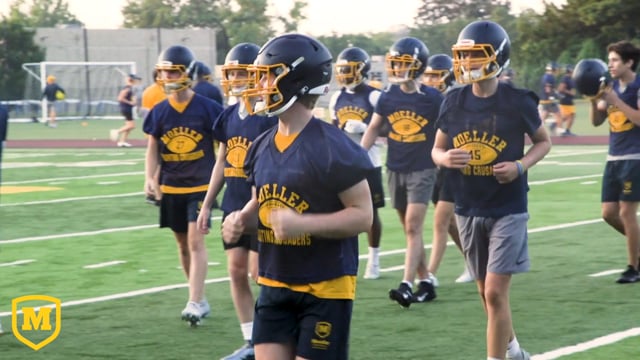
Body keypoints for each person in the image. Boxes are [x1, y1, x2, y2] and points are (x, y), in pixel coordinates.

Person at [221, 33, 373, 360]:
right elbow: (263, 202)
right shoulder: (261, 145)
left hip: (325, 286)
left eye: (269, 74)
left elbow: (363, 215)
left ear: (298, 80)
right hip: (275, 282)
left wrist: (303, 224)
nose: (260, 83)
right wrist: (241, 221)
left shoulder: (334, 147)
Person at [432, 20, 551, 360]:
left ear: (497, 58)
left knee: (496, 292)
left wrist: (519, 166)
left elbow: (544, 142)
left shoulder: (517, 101)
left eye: (475, 55)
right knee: (485, 290)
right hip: (468, 206)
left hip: (508, 207)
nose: (466, 63)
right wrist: (445, 158)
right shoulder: (453, 101)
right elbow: (436, 150)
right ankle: (513, 350)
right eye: (463, 55)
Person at [196, 42, 278, 360]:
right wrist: (206, 204)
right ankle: (251, 341)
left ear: (257, 75)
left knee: (261, 273)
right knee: (235, 270)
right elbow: (222, 161)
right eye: (232, 73)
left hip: (262, 206)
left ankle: (272, 336)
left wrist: (249, 212)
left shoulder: (269, 116)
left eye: (243, 73)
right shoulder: (229, 115)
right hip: (233, 202)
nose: (237, 79)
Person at [143, 45, 224, 326]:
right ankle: (198, 298)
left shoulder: (208, 108)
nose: (166, 76)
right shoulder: (159, 111)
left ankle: (194, 300)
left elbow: (223, 146)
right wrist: (149, 178)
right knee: (181, 245)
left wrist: (222, 177)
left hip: (201, 185)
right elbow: (152, 147)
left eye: (173, 71)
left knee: (195, 240)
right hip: (172, 186)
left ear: (187, 72)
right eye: (163, 71)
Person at [360, 37, 443, 307]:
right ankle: (427, 281)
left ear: (418, 66)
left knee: (413, 226)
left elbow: (448, 129)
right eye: (394, 63)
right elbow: (374, 127)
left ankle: (406, 284)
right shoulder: (387, 95)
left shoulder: (432, 99)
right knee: (409, 229)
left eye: (403, 63)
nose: (396, 68)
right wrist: (358, 157)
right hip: (395, 166)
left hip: (423, 167)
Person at [329, 46, 385, 280]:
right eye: (341, 69)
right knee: (342, 212)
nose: (344, 74)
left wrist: (366, 128)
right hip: (344, 161)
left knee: (371, 213)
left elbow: (387, 129)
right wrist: (343, 128)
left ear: (362, 70)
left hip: (369, 160)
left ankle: (374, 258)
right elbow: (332, 129)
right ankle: (345, 257)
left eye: (349, 69)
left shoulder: (373, 95)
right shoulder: (336, 97)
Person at [588, 40, 640, 284]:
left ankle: (634, 267)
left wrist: (616, 100)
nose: (610, 64)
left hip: (635, 157)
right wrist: (593, 97)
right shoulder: (609, 86)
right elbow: (596, 121)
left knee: (627, 211)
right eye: (609, 60)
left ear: (629, 62)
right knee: (609, 213)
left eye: (615, 60)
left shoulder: (637, 86)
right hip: (613, 158)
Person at [421, 53, 473, 285]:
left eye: (437, 76)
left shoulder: (456, 98)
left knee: (440, 221)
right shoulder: (431, 99)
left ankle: (429, 275)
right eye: (429, 76)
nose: (432, 81)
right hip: (436, 165)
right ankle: (474, 263)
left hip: (455, 165)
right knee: (450, 224)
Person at [140, 69, 167, 206]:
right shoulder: (162, 91)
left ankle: (152, 192)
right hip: (163, 132)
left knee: (157, 163)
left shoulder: (147, 91)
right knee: (161, 165)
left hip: (153, 130)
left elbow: (145, 113)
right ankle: (157, 195)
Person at [111, 73, 142, 147]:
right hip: (126, 108)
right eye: (135, 79)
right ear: (131, 80)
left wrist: (134, 102)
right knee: (132, 126)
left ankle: (122, 141)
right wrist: (130, 102)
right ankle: (117, 131)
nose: (136, 81)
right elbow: (120, 98)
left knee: (128, 126)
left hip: (128, 108)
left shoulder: (131, 88)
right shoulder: (127, 88)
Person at [538, 62, 562, 135]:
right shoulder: (549, 77)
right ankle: (559, 130)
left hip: (545, 99)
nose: (557, 70)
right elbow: (548, 89)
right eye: (556, 69)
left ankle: (536, 130)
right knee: (558, 114)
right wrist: (553, 96)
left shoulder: (546, 76)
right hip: (548, 100)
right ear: (553, 69)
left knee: (543, 117)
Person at [557, 65, 577, 136]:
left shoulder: (570, 78)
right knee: (570, 115)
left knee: (569, 116)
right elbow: (560, 89)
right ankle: (566, 130)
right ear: (570, 70)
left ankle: (556, 124)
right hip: (565, 100)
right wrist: (570, 92)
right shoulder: (565, 78)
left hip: (569, 100)